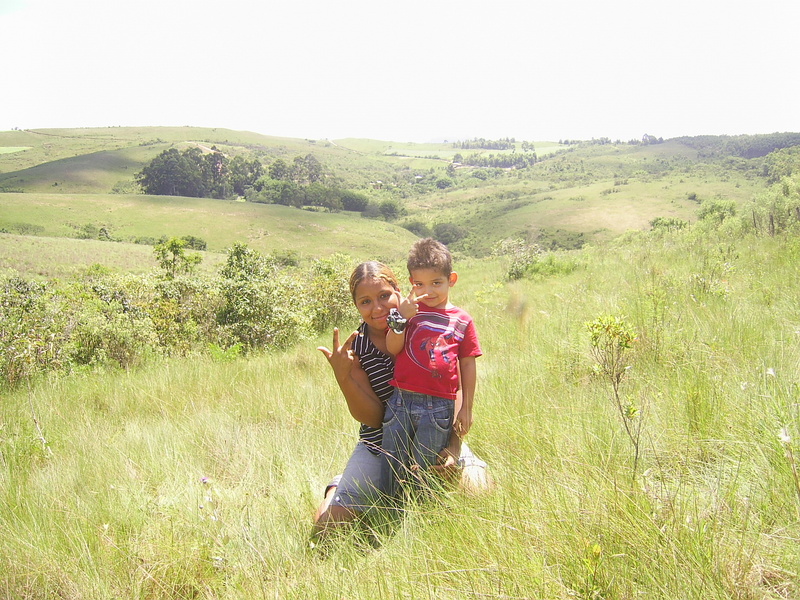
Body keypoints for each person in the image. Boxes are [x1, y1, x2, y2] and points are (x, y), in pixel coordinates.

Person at [313, 261, 488, 538]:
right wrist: (343, 377)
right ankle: (338, 486)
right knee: (327, 530)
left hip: (436, 436)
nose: (378, 308)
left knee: (479, 493)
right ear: (356, 306)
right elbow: (372, 418)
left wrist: (454, 445)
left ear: (399, 290)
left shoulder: (424, 322)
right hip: (380, 446)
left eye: (384, 295)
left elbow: (452, 387)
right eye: (365, 301)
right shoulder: (356, 347)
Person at [383, 238, 482, 495]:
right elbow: (393, 347)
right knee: (392, 469)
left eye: (436, 283)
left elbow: (468, 366)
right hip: (400, 402)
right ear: (411, 283)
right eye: (420, 284)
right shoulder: (408, 312)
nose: (429, 291)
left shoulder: (462, 320)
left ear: (452, 279)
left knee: (426, 472)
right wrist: (401, 318)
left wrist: (467, 410)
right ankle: (391, 512)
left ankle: (423, 515)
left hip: (439, 407)